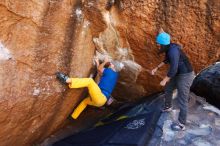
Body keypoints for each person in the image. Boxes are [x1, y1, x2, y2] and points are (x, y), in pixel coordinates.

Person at [151, 30, 194, 131]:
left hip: (186, 75)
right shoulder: (169, 48)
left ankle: (181, 124)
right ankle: (168, 106)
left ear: (163, 44)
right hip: (178, 73)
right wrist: (156, 68)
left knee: (182, 99)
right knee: (169, 88)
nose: (157, 45)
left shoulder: (173, 51)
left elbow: (173, 69)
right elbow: (167, 60)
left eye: (158, 43)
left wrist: (165, 80)